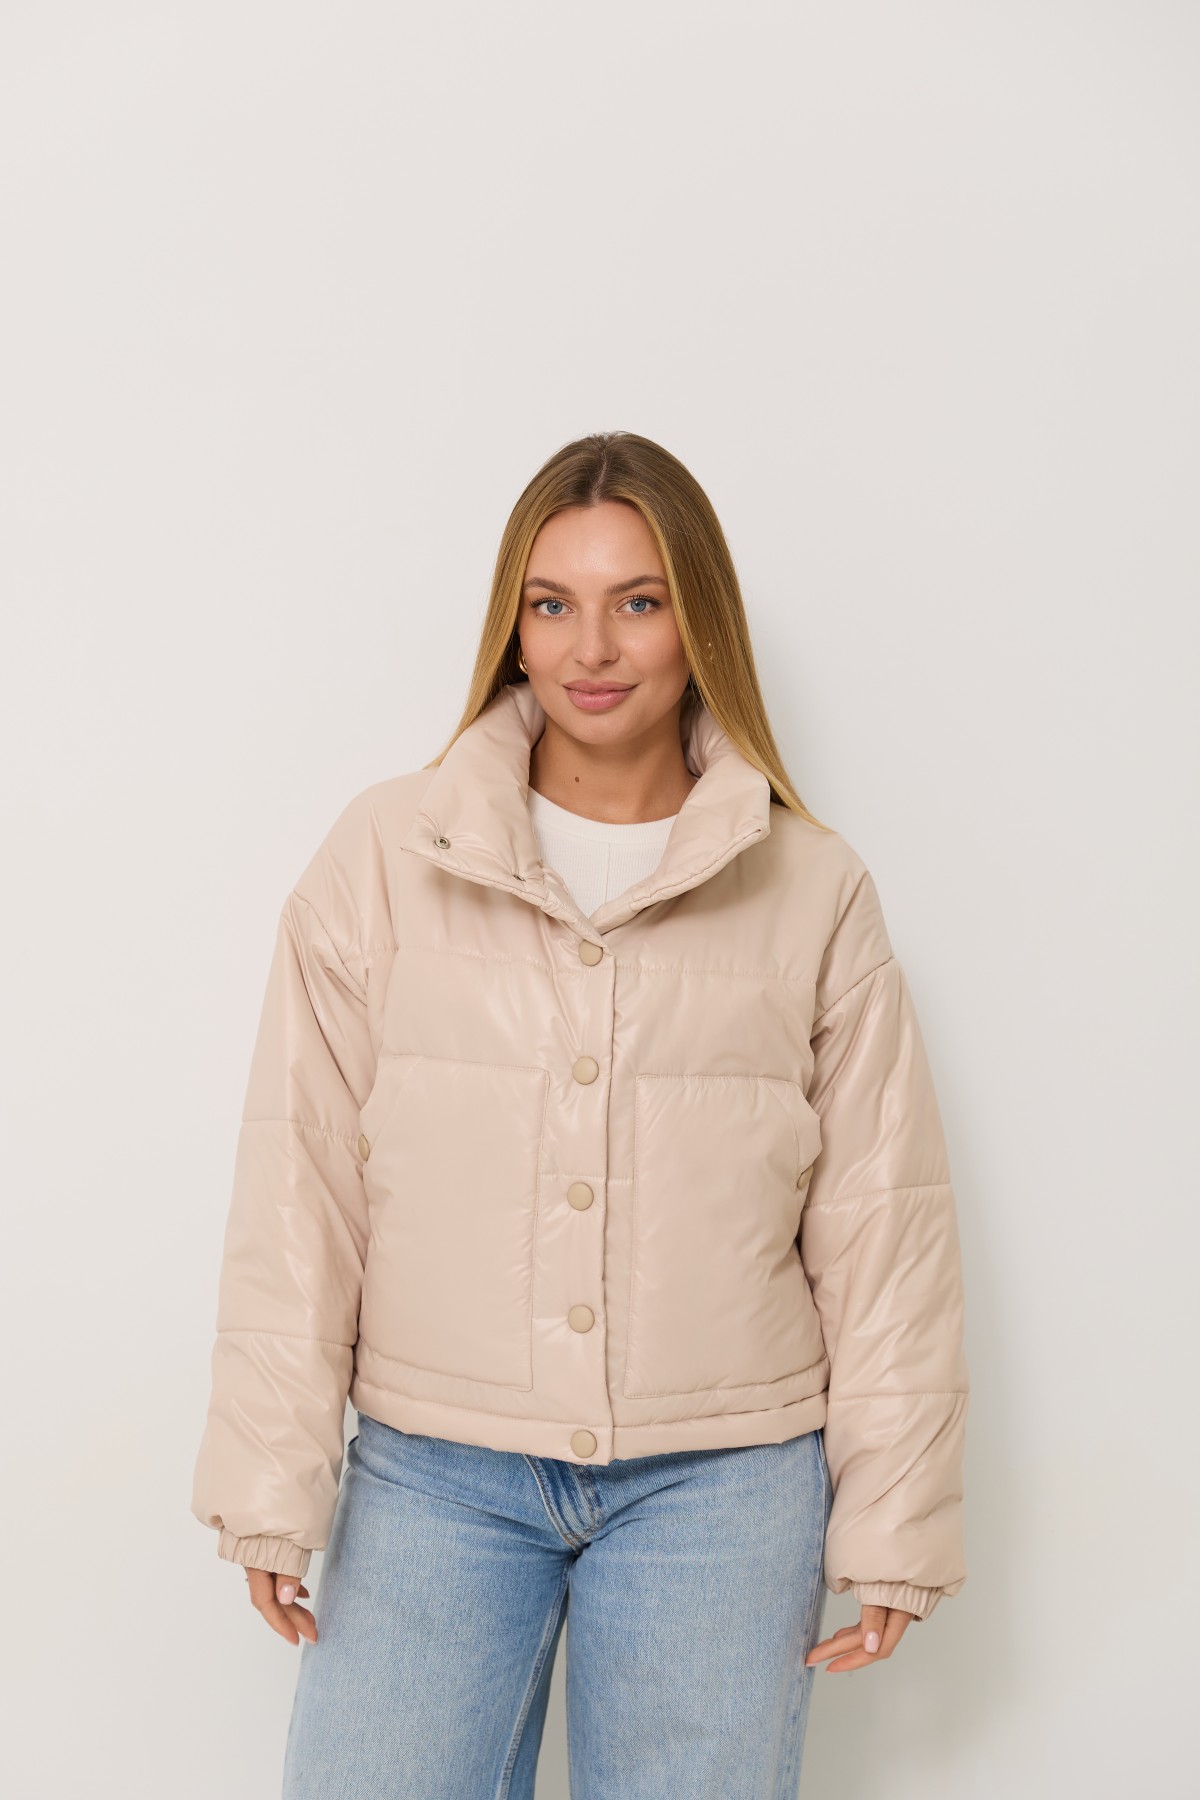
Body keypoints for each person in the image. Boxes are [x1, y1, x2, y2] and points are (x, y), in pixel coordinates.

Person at [191, 430, 969, 1797]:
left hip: (723, 1488)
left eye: (638, 601)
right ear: (513, 626)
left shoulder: (812, 887)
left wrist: (896, 1518)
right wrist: (270, 1477)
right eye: (551, 603)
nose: (590, 647)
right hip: (435, 1471)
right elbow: (298, 1180)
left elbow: (882, 1221)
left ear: (699, 622)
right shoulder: (387, 854)